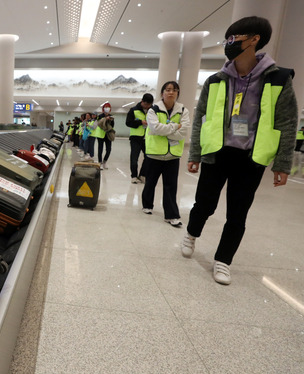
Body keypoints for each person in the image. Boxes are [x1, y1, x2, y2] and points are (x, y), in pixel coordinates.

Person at [180, 16, 298, 286]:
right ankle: (191, 233)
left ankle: (223, 260)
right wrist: (195, 154)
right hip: (217, 152)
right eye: (227, 40)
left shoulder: (278, 78)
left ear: (254, 39)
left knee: (238, 213)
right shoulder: (216, 80)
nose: (229, 44)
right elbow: (201, 118)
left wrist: (282, 164)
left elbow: (287, 123)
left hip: (250, 158)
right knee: (204, 204)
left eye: (234, 39)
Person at [141, 81, 189, 227]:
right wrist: (175, 126)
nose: (171, 92)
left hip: (173, 155)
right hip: (155, 153)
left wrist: (167, 131)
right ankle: (147, 205)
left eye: (174, 90)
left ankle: (171, 215)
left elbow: (184, 131)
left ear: (177, 93)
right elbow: (155, 129)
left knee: (171, 186)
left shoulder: (183, 110)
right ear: (162, 93)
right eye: (168, 90)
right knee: (150, 182)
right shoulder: (154, 109)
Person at [126, 93, 153, 183]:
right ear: (142, 101)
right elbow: (128, 123)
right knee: (134, 158)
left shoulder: (152, 111)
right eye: (146, 104)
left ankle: (142, 175)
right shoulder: (133, 110)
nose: (147, 106)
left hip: (148, 138)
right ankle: (134, 176)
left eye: (149, 105)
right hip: (135, 138)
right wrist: (140, 122)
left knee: (148, 157)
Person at [92, 102, 114, 169]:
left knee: (109, 149)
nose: (107, 109)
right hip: (101, 135)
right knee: (100, 149)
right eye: (105, 107)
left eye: (108, 107)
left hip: (108, 135)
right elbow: (99, 124)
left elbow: (112, 125)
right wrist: (105, 119)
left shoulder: (111, 116)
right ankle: (100, 162)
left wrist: (110, 120)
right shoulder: (100, 116)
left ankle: (105, 161)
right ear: (103, 109)